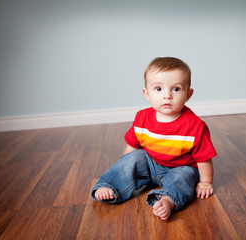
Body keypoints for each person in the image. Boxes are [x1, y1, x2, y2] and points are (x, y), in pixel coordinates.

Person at [92, 57, 217, 220]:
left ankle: (168, 199)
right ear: (147, 94)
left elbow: (204, 159)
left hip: (179, 167)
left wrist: (206, 181)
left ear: (188, 94)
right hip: (150, 163)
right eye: (158, 89)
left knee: (185, 178)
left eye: (176, 89)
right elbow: (132, 146)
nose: (167, 96)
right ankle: (110, 185)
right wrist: (127, 167)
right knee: (135, 157)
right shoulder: (142, 118)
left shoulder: (195, 126)